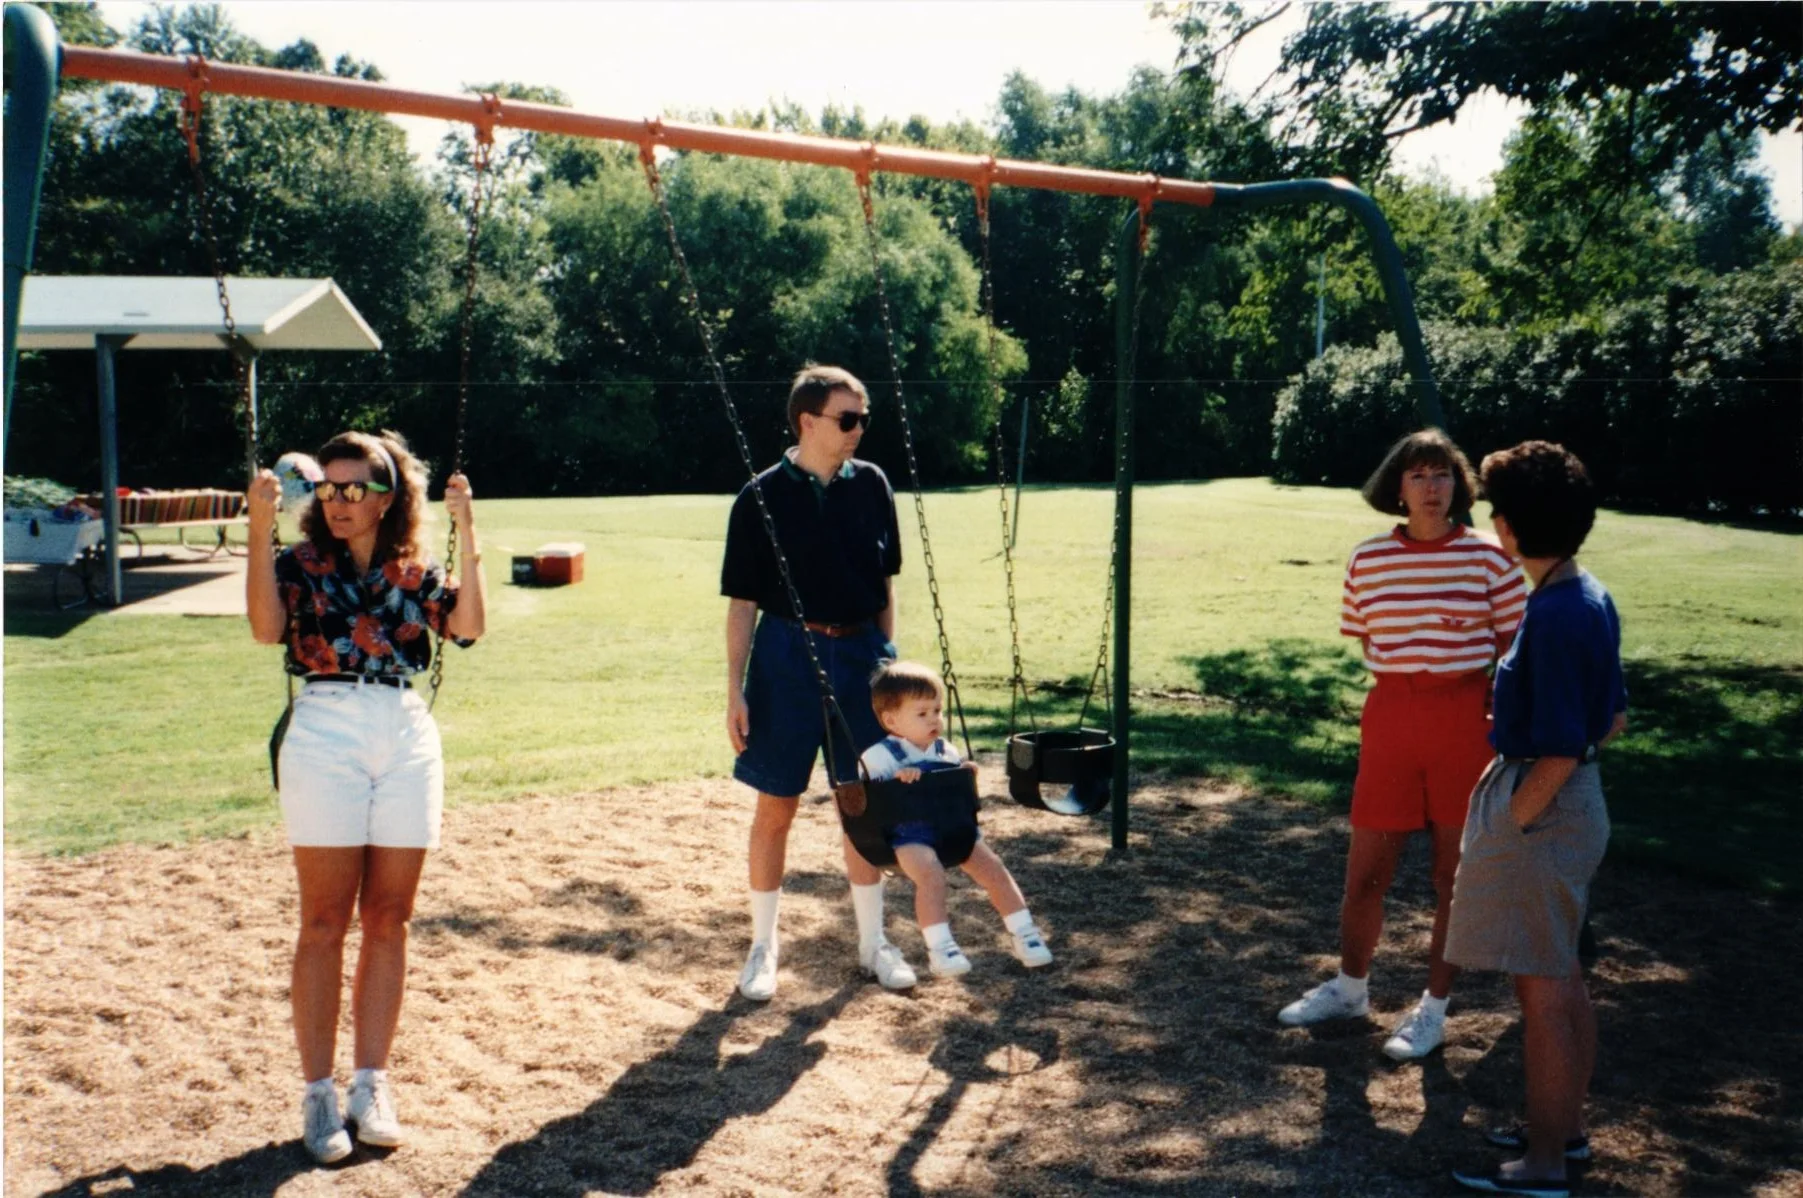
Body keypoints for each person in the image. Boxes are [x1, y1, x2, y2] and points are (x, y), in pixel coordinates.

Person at [245, 430, 486, 1164]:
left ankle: (371, 1085)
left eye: (354, 489)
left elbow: (468, 627)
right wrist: (259, 529)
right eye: (328, 488)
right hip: (323, 728)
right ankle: (319, 1092)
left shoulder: (414, 570)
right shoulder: (298, 565)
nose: (338, 501)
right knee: (324, 920)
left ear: (386, 498)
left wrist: (468, 529)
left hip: (404, 730)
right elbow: (265, 630)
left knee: (389, 918)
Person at [1278, 429, 1526, 1061]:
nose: (1431, 488)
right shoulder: (1368, 559)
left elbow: (1515, 648)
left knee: (1452, 876)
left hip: (1464, 720)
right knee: (1366, 871)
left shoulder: (1489, 558)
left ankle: (1433, 1008)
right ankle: (1350, 988)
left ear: (1458, 485)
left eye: (1442, 474)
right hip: (1391, 717)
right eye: (1417, 475)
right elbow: (1368, 638)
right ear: (1397, 486)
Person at [1449, 441, 1626, 1198]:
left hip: (1544, 810)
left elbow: (1558, 748)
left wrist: (1509, 822)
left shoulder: (1556, 613)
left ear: (1510, 526)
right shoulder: (1584, 594)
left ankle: (1545, 1163)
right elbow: (1612, 719)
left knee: (1543, 990)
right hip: (1571, 803)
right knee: (1562, 976)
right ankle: (1563, 1130)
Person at [722, 364, 917, 1002]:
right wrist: (735, 689)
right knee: (775, 804)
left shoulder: (874, 484)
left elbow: (885, 585)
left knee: (861, 801)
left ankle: (873, 944)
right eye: (847, 419)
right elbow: (742, 605)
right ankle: (763, 947)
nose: (859, 429)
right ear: (808, 422)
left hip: (861, 654)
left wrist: (886, 664)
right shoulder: (759, 497)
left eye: (863, 418)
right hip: (784, 655)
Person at [859, 660, 1054, 976]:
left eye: (937, 710)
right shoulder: (879, 756)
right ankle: (941, 948)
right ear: (891, 720)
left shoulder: (945, 750)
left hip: (951, 827)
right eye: (922, 713)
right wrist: (895, 780)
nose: (934, 719)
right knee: (930, 874)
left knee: (993, 868)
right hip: (907, 834)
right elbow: (866, 799)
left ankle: (1025, 933)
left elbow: (959, 794)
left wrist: (965, 775)